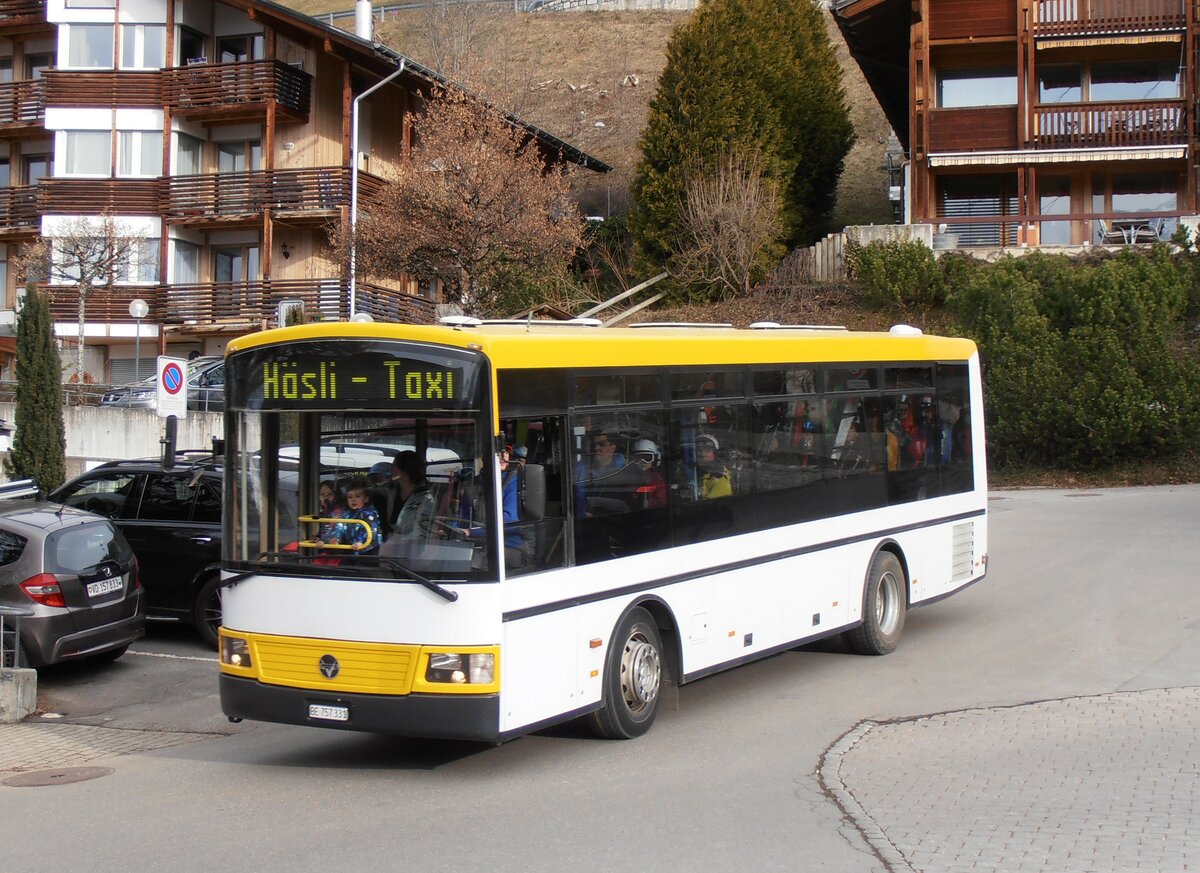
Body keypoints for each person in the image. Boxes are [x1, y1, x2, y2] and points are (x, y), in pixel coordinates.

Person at [317, 478, 383, 555]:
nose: (353, 500)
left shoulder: (369, 513)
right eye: (350, 497)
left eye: (357, 496)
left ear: (366, 499)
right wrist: (334, 538)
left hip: (370, 549)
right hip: (352, 548)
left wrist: (361, 541)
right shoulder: (346, 513)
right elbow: (339, 526)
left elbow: (371, 530)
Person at [388, 450, 436, 549]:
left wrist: (396, 542)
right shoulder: (390, 492)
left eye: (395, 465)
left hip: (410, 551)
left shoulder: (426, 498)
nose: (391, 469)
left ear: (405, 470)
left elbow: (423, 530)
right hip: (386, 548)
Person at [630, 438, 667, 508]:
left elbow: (662, 501)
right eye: (638, 458)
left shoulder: (659, 479)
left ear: (656, 458)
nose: (643, 461)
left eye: (647, 458)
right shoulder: (628, 477)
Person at [695, 434, 731, 500]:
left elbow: (715, 504)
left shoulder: (720, 475)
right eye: (699, 451)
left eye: (707, 451)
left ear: (716, 454)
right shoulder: (695, 471)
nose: (702, 454)